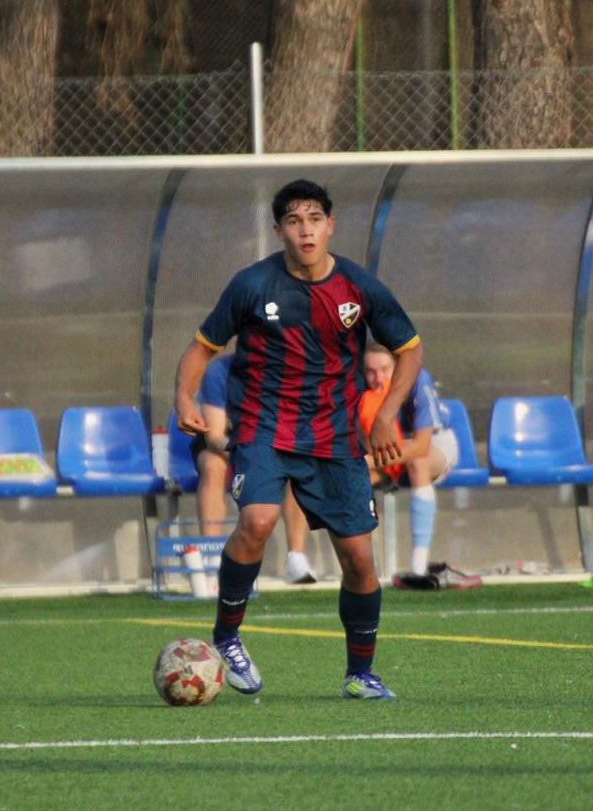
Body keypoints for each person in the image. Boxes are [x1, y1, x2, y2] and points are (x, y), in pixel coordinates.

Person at [174, 179, 422, 700]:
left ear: (330, 225)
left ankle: (360, 672)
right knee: (259, 519)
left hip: (334, 436)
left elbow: (410, 350)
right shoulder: (252, 285)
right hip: (264, 426)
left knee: (358, 559)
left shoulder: (359, 288)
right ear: (279, 229)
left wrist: (384, 418)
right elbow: (200, 350)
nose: (305, 229)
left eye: (314, 218)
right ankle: (227, 636)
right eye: (294, 220)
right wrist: (185, 401)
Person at [360, 342, 483, 590]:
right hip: (390, 454)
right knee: (350, 478)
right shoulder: (362, 391)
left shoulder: (418, 380)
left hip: (434, 443)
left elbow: (420, 446)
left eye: (384, 369)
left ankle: (418, 568)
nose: (378, 378)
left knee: (417, 462)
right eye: (370, 371)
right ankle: (360, 568)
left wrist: (368, 461)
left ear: (398, 366)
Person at [193, 352, 317, 584]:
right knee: (213, 466)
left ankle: (296, 559)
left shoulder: (289, 371)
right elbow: (215, 436)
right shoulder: (219, 371)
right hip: (228, 445)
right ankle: (211, 560)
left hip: (271, 441)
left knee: (296, 464)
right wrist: (250, 454)